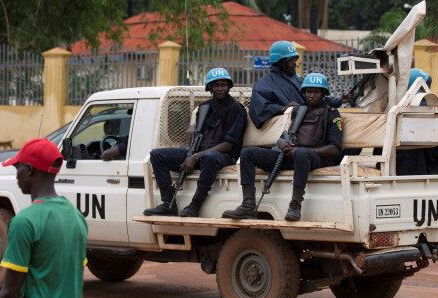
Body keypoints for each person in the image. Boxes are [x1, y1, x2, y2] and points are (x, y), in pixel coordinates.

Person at [223, 73, 343, 221]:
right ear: (304, 93)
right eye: (308, 91)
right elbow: (286, 135)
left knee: (301, 153)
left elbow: (335, 148)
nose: (311, 95)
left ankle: (295, 205)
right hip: (291, 155)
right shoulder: (299, 112)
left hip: (313, 158)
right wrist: (281, 143)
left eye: (316, 92)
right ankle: (248, 205)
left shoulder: (332, 114)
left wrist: (300, 151)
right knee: (247, 153)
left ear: (324, 93)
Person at [0, 138, 88, 298]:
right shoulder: (77, 218)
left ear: (29, 169)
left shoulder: (24, 222)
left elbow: (9, 294)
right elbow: (76, 289)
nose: (16, 174)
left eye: (18, 167)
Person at [144, 67, 247, 217]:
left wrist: (195, 156)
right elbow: (196, 136)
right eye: (216, 85)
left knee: (210, 158)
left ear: (229, 86)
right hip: (198, 152)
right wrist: (191, 136)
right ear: (209, 88)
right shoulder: (204, 107)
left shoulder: (237, 109)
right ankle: (168, 203)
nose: (220, 88)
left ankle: (195, 205)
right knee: (157, 155)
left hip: (224, 156)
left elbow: (228, 145)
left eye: (223, 85)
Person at [249, 40, 346, 129]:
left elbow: (319, 99)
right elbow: (259, 110)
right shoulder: (263, 84)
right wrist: (284, 110)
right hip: (283, 135)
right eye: (290, 60)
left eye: (295, 60)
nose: (294, 64)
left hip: (311, 125)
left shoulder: (299, 80)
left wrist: (338, 101)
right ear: (279, 61)